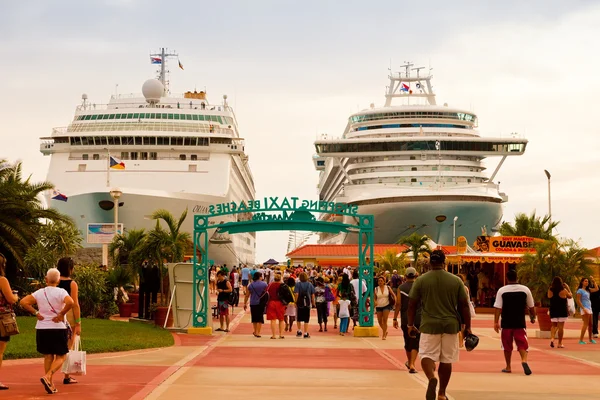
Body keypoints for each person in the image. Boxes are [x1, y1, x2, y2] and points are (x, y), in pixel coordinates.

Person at [407, 250, 471, 400]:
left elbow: (412, 304)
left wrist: (410, 324)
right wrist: (467, 326)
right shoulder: (456, 281)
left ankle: (431, 378)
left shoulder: (421, 280)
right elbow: (464, 305)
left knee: (426, 355)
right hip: (450, 325)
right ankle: (441, 393)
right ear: (445, 262)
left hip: (429, 325)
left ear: (430, 262)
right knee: (446, 359)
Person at [20, 268, 74, 395]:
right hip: (58, 327)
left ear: (46, 279)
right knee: (61, 355)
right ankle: (48, 376)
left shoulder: (39, 292)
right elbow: (70, 302)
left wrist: (36, 312)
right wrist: (61, 314)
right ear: (59, 280)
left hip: (42, 327)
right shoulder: (61, 292)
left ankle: (50, 382)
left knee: (48, 355)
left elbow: (23, 302)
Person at [493, 269, 536, 375]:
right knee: (522, 343)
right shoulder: (525, 290)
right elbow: (531, 306)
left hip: (506, 322)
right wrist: (533, 317)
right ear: (517, 277)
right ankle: (524, 360)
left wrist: (495, 322)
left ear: (507, 278)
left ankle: (508, 366)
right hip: (520, 322)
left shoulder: (502, 290)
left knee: (507, 345)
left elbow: (498, 308)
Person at [56, 257, 82, 385]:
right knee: (68, 345)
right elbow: (75, 304)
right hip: (69, 315)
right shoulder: (72, 284)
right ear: (70, 269)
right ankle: (66, 375)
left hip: (55, 314)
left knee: (55, 345)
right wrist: (78, 323)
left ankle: (50, 373)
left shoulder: (53, 281)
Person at [393, 267, 420, 374]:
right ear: (415, 275)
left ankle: (410, 362)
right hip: (418, 317)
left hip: (405, 318)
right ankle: (412, 363)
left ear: (405, 275)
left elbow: (398, 303)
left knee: (407, 340)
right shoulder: (419, 287)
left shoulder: (401, 287)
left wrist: (395, 318)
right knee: (416, 341)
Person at [0, 253, 18, 390]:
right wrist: (16, 296)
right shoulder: (2, 280)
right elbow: (10, 299)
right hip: (1, 319)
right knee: (0, 351)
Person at [547, 276, 572, 348]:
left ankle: (552, 338)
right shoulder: (563, 290)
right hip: (562, 310)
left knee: (553, 325)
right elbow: (570, 296)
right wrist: (568, 287)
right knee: (561, 327)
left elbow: (549, 297)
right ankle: (560, 343)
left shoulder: (550, 290)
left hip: (553, 309)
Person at [575, 276, 599, 344]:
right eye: (585, 281)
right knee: (585, 324)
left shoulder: (588, 290)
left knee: (591, 324)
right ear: (582, 282)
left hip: (589, 308)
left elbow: (596, 289)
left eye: (587, 281)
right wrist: (583, 308)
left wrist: (593, 281)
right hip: (584, 308)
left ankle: (590, 339)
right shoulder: (580, 290)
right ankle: (581, 339)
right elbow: (578, 300)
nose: (587, 282)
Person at [244, 271, 268, 338]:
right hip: (261, 303)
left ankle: (255, 331)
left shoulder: (250, 285)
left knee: (254, 318)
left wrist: (245, 303)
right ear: (260, 277)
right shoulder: (264, 284)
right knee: (260, 317)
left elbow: (247, 295)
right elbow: (267, 293)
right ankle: (258, 332)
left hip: (253, 303)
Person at [295, 272, 315, 338]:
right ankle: (306, 333)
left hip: (300, 303)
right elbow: (312, 295)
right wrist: (313, 303)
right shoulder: (310, 284)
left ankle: (299, 331)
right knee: (306, 318)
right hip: (307, 303)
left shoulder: (298, 284)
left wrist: (296, 301)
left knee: (299, 317)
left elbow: (296, 294)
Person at [374, 276, 395, 340]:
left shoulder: (388, 288)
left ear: (384, 282)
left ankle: (383, 335)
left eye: (381, 281)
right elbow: (374, 298)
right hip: (379, 306)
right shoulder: (376, 289)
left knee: (385, 320)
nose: (380, 282)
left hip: (386, 305)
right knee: (379, 321)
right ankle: (385, 331)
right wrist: (375, 302)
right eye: (379, 281)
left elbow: (393, 295)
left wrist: (395, 301)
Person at [266, 273, 286, 339]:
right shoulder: (283, 285)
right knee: (281, 319)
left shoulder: (270, 285)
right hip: (280, 303)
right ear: (280, 279)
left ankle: (274, 335)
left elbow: (267, 292)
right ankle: (281, 334)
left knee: (273, 320)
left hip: (272, 302)